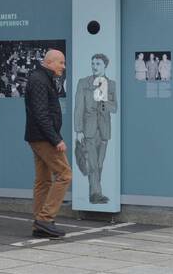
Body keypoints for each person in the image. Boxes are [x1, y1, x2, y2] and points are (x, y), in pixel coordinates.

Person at [24, 49, 69, 238]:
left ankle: (39, 223)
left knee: (43, 180)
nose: (63, 67)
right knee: (65, 174)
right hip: (44, 138)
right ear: (50, 62)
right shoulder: (40, 80)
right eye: (61, 63)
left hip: (39, 136)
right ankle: (45, 218)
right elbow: (41, 113)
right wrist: (56, 138)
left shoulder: (41, 78)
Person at [74, 52, 117, 205]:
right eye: (93, 63)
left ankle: (95, 192)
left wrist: (103, 99)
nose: (94, 66)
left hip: (104, 131)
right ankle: (95, 194)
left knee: (99, 164)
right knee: (92, 164)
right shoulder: (83, 83)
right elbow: (78, 107)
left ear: (105, 65)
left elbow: (114, 108)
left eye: (98, 64)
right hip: (88, 129)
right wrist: (78, 130)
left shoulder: (111, 84)